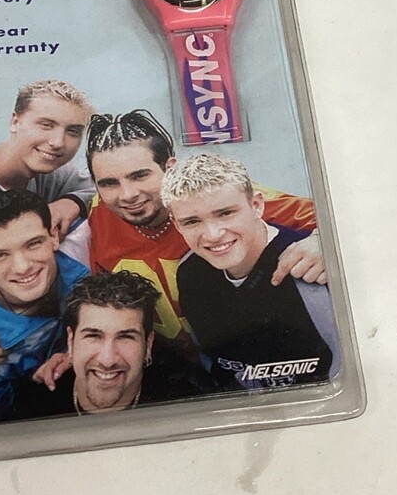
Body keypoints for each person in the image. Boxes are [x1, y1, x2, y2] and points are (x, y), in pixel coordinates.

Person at [52, 111, 325, 363]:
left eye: (140, 176)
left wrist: (321, 242)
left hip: (234, 355)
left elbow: (330, 216)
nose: (127, 195)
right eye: (109, 183)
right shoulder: (97, 214)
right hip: (163, 365)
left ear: (170, 168)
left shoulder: (216, 196)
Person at [0, 79, 94, 384]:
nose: (58, 142)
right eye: (46, 125)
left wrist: (72, 202)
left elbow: (104, 186)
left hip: (22, 357)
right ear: (15, 121)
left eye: (73, 131)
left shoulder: (48, 173)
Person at [162, 152, 340, 392]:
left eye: (226, 213)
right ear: (176, 224)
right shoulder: (190, 273)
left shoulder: (312, 265)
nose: (213, 235)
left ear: (256, 205)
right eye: (192, 221)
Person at [0, 189, 89, 426]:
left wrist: (75, 202)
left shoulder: (82, 243)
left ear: (54, 236)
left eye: (33, 244)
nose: (22, 267)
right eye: (0, 255)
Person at [10, 270, 205, 419]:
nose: (108, 360)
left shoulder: (181, 406)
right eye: (93, 336)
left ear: (148, 344)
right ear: (71, 341)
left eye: (125, 337)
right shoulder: (31, 408)